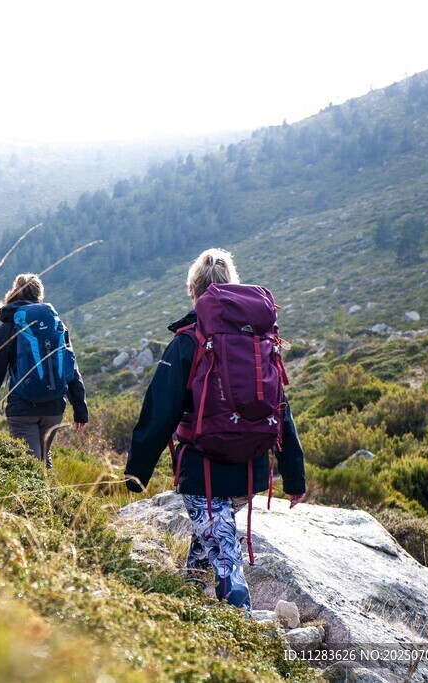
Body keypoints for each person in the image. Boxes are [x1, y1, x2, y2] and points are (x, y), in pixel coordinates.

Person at [124, 248, 307, 613]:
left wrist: (136, 473)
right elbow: (280, 407)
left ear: (193, 290)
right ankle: (193, 585)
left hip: (203, 470)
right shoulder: (258, 340)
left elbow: (159, 411)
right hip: (252, 470)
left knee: (225, 552)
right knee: (215, 530)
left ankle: (243, 631)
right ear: (232, 289)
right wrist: (294, 476)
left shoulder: (188, 341)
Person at [0, 273, 88, 467]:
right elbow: (70, 367)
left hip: (22, 407)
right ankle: (52, 496)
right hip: (54, 406)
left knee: (29, 465)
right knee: (43, 459)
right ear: (40, 294)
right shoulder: (55, 325)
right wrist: (80, 410)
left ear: (15, 292)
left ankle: (38, 497)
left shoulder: (9, 326)